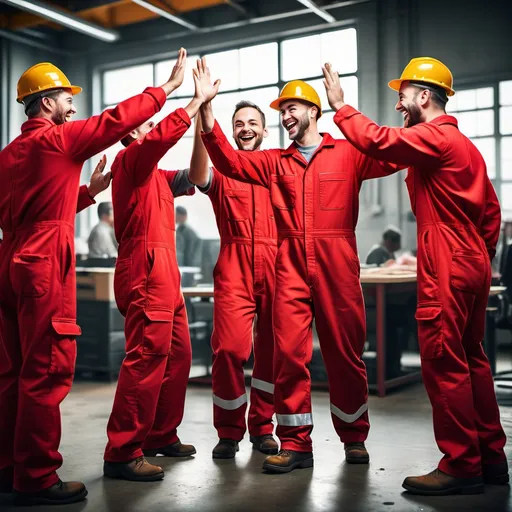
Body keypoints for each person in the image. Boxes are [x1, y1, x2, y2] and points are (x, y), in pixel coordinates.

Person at [197, 57, 400, 473]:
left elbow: (394, 153)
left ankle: (354, 437)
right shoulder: (274, 161)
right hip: (288, 265)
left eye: (293, 107)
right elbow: (229, 161)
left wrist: (345, 108)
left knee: (345, 354)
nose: (287, 114)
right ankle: (295, 443)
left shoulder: (348, 154)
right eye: (282, 110)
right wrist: (206, 110)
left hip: (337, 264)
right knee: (289, 356)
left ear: (314, 111)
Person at [0, 57, 188, 506]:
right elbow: (115, 120)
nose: (72, 106)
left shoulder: (9, 154)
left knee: (10, 371)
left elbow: (34, 210)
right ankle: (38, 478)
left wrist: (88, 193)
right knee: (46, 369)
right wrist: (168, 89)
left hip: (10, 257)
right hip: (44, 262)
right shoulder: (59, 140)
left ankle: (8, 468)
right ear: (47, 102)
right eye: (67, 97)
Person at [324, 56, 508, 495]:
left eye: (403, 95)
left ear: (425, 95)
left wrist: (340, 106)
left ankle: (461, 464)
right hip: (473, 258)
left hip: (445, 254)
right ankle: (490, 457)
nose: (399, 104)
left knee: (444, 360)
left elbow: (379, 141)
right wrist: (476, 258)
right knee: (472, 359)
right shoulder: (465, 146)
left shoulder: (435, 136)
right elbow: (492, 213)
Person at [103, 48, 213, 482]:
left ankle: (160, 434)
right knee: (146, 358)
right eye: (146, 122)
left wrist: (203, 118)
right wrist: (188, 102)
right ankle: (122, 451)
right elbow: (158, 139)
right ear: (131, 134)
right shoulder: (130, 163)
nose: (151, 125)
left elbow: (198, 175)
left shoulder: (160, 178)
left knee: (179, 356)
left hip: (166, 275)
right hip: (144, 270)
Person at [193, 102, 278, 459]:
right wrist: (202, 117)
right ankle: (228, 431)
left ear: (264, 130)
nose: (245, 127)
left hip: (277, 264)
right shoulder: (222, 172)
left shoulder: (277, 167)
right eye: (238, 122)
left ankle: (262, 427)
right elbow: (198, 176)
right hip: (234, 265)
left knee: (273, 352)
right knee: (228, 349)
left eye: (252, 123)